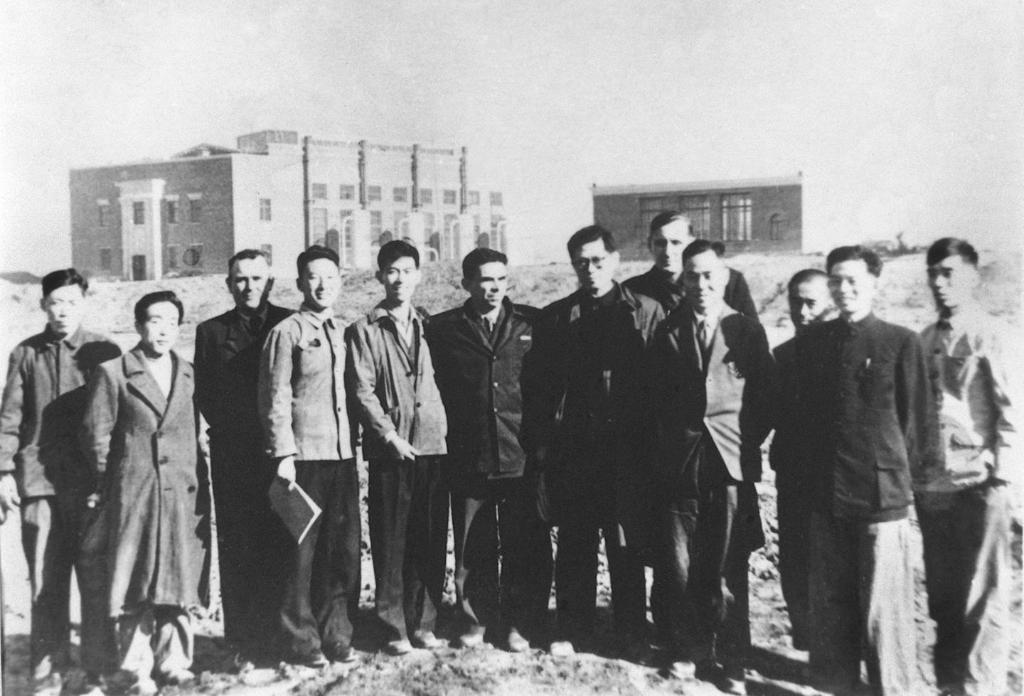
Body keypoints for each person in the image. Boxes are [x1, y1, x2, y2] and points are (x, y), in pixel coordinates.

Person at [795, 246, 940, 695]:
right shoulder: (815, 342)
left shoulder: (901, 342)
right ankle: (833, 685)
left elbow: (920, 425)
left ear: (875, 284)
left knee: (884, 611)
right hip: (827, 495)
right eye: (836, 281)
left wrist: (916, 495)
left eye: (853, 280)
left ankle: (891, 688)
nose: (844, 289)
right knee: (831, 605)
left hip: (881, 497)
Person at [533, 225, 663, 658]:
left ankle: (631, 632)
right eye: (581, 263)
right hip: (577, 449)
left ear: (615, 260)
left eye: (598, 260)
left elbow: (661, 382)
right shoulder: (557, 317)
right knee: (576, 541)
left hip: (627, 450)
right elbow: (542, 387)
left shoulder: (646, 312)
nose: (590, 269)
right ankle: (573, 629)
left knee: (625, 544)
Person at [649, 240, 773, 695]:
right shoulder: (667, 330)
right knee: (679, 564)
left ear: (723, 278)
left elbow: (765, 398)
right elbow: (653, 399)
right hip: (680, 465)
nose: (700, 284)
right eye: (692, 276)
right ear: (682, 280)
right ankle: (689, 649)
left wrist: (741, 443)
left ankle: (733, 659)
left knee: (728, 564)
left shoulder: (747, 330)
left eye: (708, 276)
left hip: (730, 464)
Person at [80, 291, 208, 694]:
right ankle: (136, 668)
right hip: (135, 494)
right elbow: (96, 436)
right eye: (154, 320)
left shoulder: (188, 373)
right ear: (138, 326)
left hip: (180, 494)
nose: (163, 329)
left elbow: (192, 432)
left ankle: (174, 662)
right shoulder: (114, 372)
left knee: (178, 576)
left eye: (171, 321)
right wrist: (113, 483)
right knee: (135, 578)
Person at [424, 248, 552, 652]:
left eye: (500, 279)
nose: (493, 287)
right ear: (466, 283)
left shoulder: (532, 324)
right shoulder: (443, 329)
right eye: (484, 279)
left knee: (522, 544)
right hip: (469, 453)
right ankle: (475, 619)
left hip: (519, 453)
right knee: (472, 545)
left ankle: (518, 622)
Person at [0, 269, 120, 694]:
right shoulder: (25, 353)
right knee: (45, 581)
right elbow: (10, 419)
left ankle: (97, 668)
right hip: (39, 485)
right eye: (55, 303)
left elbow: (117, 417)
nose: (62, 311)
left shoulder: (103, 351)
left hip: (90, 485)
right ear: (43, 306)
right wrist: (3, 472)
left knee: (95, 577)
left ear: (83, 304)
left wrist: (110, 479)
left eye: (71, 302)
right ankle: (49, 668)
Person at [914, 238, 1019, 696]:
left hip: (980, 484)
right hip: (935, 486)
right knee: (944, 596)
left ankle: (980, 689)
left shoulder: (993, 335)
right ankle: (949, 685)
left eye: (949, 273)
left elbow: (1013, 412)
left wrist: (1002, 480)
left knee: (983, 596)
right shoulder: (924, 339)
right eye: (933, 274)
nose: (939, 283)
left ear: (973, 276)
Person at [258, 245, 360, 667]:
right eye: (314, 277)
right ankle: (302, 641)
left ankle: (337, 635)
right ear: (300, 282)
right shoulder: (287, 332)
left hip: (342, 456)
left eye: (330, 277)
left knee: (340, 552)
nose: (322, 285)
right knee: (300, 554)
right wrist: (283, 453)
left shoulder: (344, 330)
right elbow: (275, 395)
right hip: (303, 459)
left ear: (340, 281)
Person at [346, 240, 449, 655]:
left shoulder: (430, 325)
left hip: (431, 445)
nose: (399, 279)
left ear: (418, 276)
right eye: (391, 271)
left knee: (429, 537)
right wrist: (388, 436)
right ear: (379, 276)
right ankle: (393, 627)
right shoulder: (364, 329)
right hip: (391, 450)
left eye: (407, 270)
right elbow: (362, 389)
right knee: (391, 541)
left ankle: (424, 622)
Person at [193, 249, 293, 667]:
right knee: (238, 546)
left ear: (270, 282)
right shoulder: (211, 332)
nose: (249, 286)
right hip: (233, 456)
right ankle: (244, 642)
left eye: (256, 278)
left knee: (282, 544)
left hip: (281, 453)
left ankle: (284, 638)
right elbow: (205, 393)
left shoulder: (288, 322)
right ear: (229, 284)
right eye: (240, 279)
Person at [768, 269, 837, 650]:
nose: (803, 311)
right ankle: (806, 639)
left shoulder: (844, 354)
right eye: (796, 302)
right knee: (794, 562)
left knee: (832, 566)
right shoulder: (782, 357)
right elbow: (764, 415)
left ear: (830, 303)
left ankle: (833, 649)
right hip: (793, 477)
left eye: (812, 303)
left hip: (835, 481)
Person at [623, 211, 757, 319]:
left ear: (691, 243)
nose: (668, 252)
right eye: (660, 243)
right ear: (649, 245)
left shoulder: (728, 282)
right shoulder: (631, 291)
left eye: (676, 243)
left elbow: (752, 334)